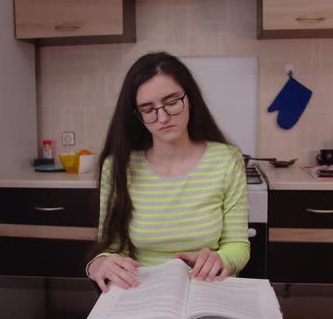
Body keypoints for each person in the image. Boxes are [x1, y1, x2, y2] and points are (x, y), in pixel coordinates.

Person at [86, 51, 250, 292]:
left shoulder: (227, 160)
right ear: (137, 115)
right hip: (142, 293)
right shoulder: (118, 166)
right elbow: (111, 249)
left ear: (189, 98)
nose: (162, 117)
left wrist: (221, 259)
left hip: (209, 291)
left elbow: (238, 245)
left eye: (172, 102)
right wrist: (98, 264)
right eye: (148, 109)